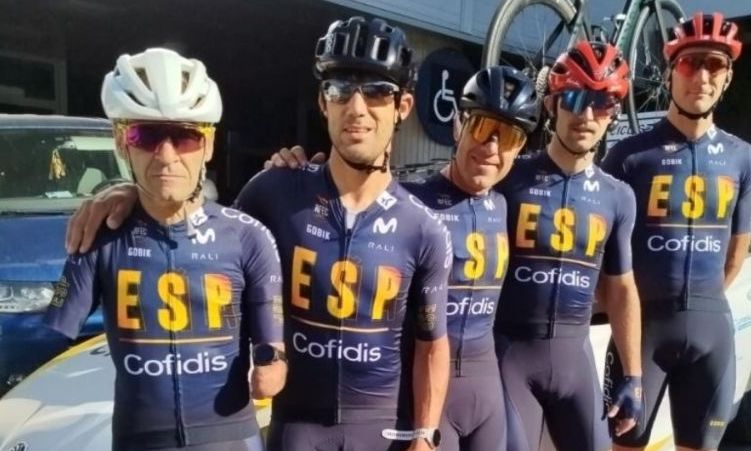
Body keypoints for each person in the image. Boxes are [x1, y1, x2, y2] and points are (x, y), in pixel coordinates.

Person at [64, 17, 452, 451]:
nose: (357, 108)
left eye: (377, 91)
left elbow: (432, 344)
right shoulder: (273, 191)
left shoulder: (424, 227)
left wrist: (425, 436)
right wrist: (134, 193)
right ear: (323, 103)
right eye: (340, 89)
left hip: (383, 431)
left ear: (403, 106)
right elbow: (199, 230)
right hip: (295, 429)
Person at [267, 65, 542, 451]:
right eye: (481, 128)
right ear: (458, 125)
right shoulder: (412, 202)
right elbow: (350, 194)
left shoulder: (507, 201)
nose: (492, 147)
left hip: (488, 389)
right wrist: (297, 175)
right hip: (420, 398)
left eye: (509, 136)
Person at [44, 48, 287, 451]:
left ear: (209, 145)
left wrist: (272, 364)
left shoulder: (249, 237)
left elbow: (271, 344)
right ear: (122, 143)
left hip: (230, 437)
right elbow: (56, 330)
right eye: (146, 136)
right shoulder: (99, 235)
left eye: (186, 136)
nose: (167, 155)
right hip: (140, 438)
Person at [601, 12, 751, 451]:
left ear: (727, 77)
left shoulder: (743, 159)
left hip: (710, 332)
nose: (701, 77)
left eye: (714, 64)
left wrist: (700, 299)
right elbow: (605, 256)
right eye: (689, 63)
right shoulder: (629, 157)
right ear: (669, 74)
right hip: (640, 334)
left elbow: (737, 252)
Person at [492, 40, 643, 451]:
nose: (587, 115)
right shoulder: (508, 177)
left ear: (614, 112)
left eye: (602, 102)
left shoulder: (619, 197)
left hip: (576, 360)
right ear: (552, 104)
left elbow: (621, 289)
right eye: (575, 99)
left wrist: (633, 376)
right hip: (510, 355)